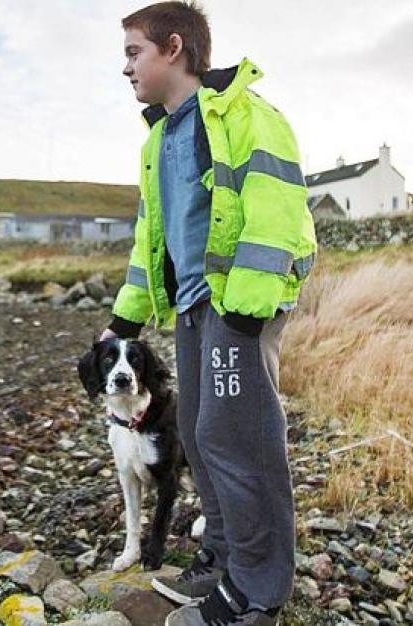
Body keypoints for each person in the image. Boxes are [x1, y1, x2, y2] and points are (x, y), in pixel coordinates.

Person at [96, 2, 318, 625]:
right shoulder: (159, 139)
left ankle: (256, 592)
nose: (126, 68)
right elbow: (152, 241)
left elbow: (277, 205)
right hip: (194, 304)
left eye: (134, 52)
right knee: (196, 431)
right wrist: (126, 320)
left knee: (235, 435)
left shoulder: (243, 113)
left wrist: (246, 308)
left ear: (173, 48)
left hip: (238, 303)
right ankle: (223, 562)